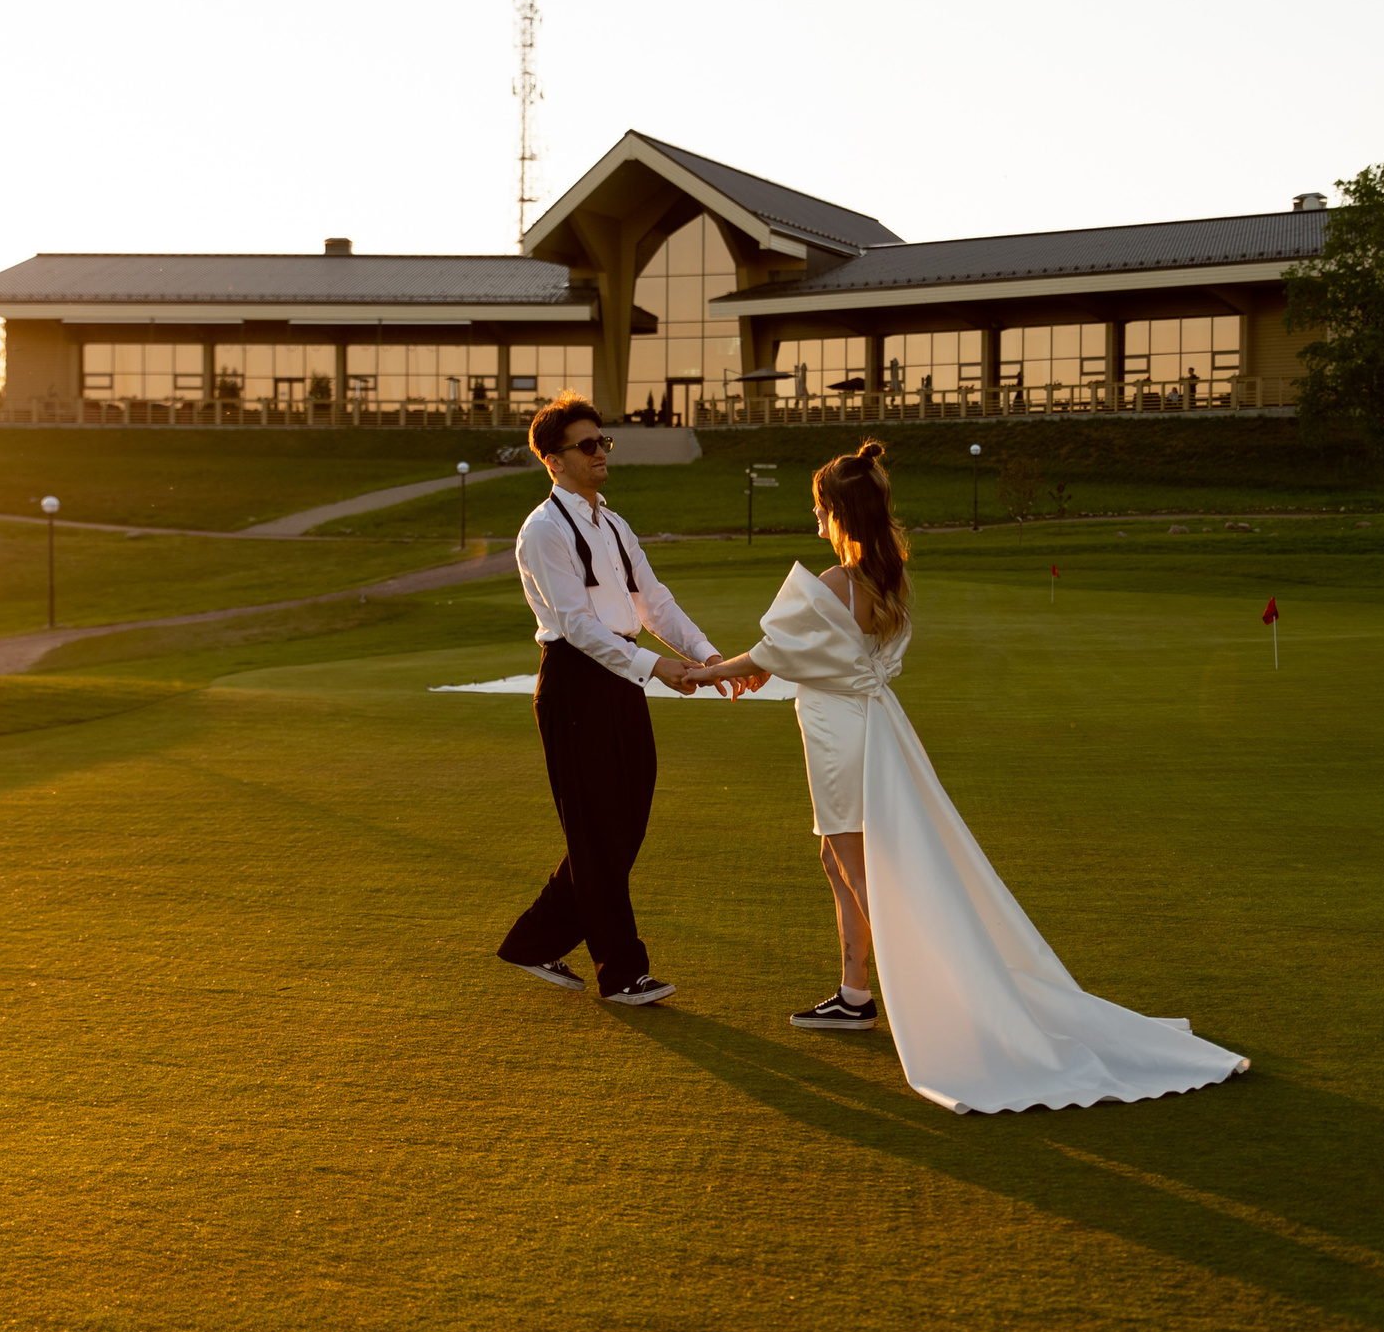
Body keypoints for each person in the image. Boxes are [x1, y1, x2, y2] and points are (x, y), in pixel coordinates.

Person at [687, 443, 1249, 1114]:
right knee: (840, 863)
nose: (813, 517)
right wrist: (753, 669)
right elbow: (808, 656)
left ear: (837, 511)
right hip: (868, 728)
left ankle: (927, 993)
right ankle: (855, 991)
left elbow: (779, 651)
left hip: (843, 737)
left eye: (818, 506)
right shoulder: (882, 575)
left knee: (859, 867)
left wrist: (708, 671)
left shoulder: (840, 582)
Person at [496, 392, 740, 1006]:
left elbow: (653, 601)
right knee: (598, 828)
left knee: (624, 824)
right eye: (586, 445)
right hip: (575, 682)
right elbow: (576, 625)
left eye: (603, 442)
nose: (600, 452)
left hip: (618, 677)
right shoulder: (543, 531)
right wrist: (657, 667)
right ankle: (622, 971)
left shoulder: (613, 523)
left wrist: (708, 657)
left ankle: (533, 942)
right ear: (552, 460)